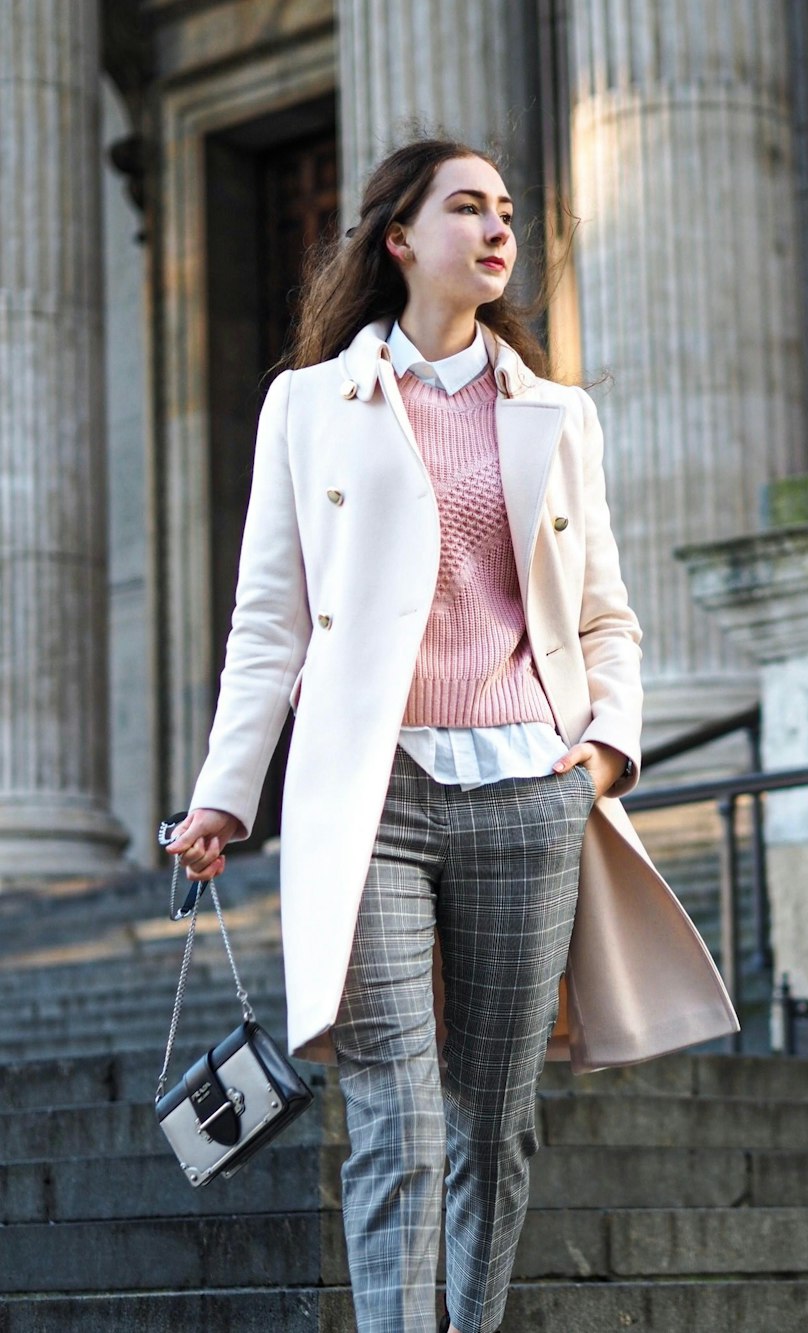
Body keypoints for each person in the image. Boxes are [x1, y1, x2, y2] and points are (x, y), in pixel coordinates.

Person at [166, 137, 737, 1333]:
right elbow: (268, 621)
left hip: (528, 788)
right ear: (398, 238)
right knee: (399, 1118)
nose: (496, 231)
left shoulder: (555, 413)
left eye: (507, 213)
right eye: (466, 208)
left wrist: (599, 757)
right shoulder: (307, 405)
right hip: (372, 797)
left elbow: (604, 617)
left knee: (494, 1120)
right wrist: (225, 792)